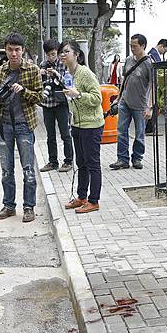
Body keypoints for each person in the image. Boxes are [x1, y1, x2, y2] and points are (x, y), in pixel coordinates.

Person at [0, 33, 43, 223]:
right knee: (6, 170)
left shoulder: (32, 70)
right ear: (5, 50)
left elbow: (40, 97)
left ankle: (29, 207)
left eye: (17, 50)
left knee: (28, 169)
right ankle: (9, 206)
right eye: (10, 50)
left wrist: (24, 91)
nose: (13, 54)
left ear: (23, 50)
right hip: (4, 125)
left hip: (24, 125)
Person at [59, 40, 104, 214]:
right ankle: (82, 197)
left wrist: (78, 95)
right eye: (61, 52)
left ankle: (94, 201)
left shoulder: (85, 73)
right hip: (77, 124)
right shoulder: (69, 73)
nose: (63, 55)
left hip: (91, 125)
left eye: (67, 52)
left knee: (93, 164)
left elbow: (97, 98)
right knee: (81, 163)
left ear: (77, 54)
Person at [109, 34, 153, 170]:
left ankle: (137, 158)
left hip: (141, 104)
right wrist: (118, 97)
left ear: (143, 46)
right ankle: (122, 159)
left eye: (135, 46)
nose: (132, 48)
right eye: (131, 46)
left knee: (140, 133)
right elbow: (124, 80)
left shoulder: (149, 63)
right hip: (125, 102)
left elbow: (153, 86)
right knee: (121, 130)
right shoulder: (128, 60)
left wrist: (150, 107)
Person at [39, 39, 73, 173]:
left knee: (65, 133)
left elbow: (68, 83)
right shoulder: (43, 64)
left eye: (53, 54)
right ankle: (53, 162)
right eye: (48, 54)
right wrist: (40, 75)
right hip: (47, 104)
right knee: (50, 135)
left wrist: (56, 74)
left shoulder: (64, 64)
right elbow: (39, 84)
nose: (51, 57)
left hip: (60, 103)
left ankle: (68, 161)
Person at [146, 39, 167, 135]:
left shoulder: (152, 54)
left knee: (155, 106)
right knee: (154, 106)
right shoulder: (153, 55)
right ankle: (150, 128)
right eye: (165, 49)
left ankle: (150, 127)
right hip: (153, 84)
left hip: (153, 84)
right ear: (161, 46)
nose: (164, 52)